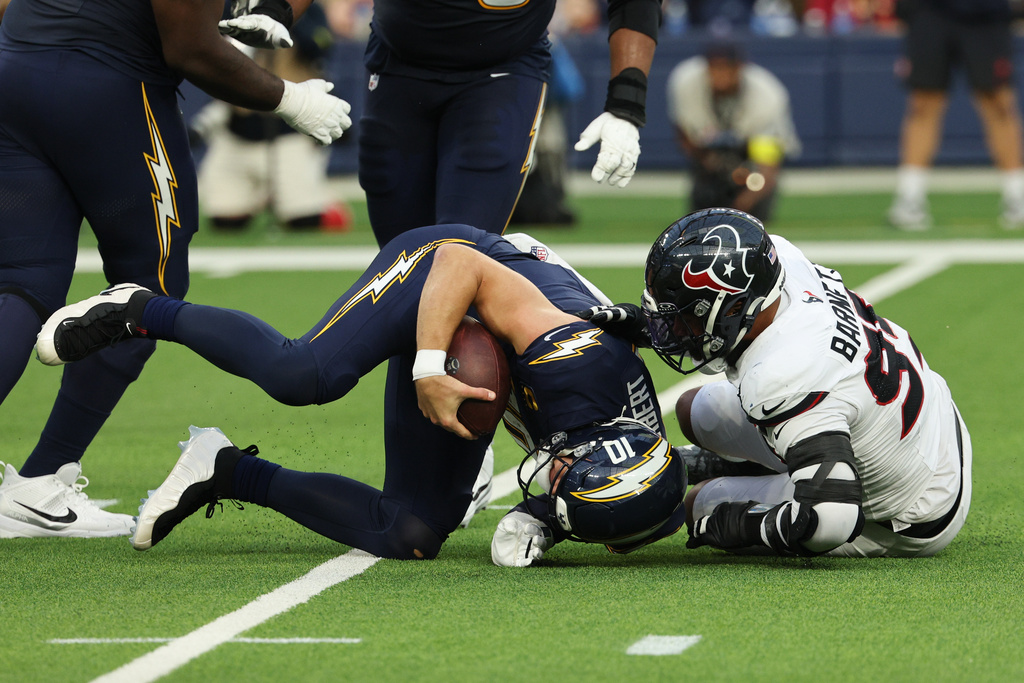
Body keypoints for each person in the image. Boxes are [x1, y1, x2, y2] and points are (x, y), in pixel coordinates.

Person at [35, 225, 687, 563]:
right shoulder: (574, 359)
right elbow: (462, 266)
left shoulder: (637, 469)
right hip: (452, 268)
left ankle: (226, 470)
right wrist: (428, 366)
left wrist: (548, 522)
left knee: (410, 531)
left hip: (487, 341)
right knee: (305, 375)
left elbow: (632, 498)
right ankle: (141, 309)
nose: (553, 478)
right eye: (565, 476)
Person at [0, 0, 351, 539]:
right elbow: (190, 48)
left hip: (16, 66)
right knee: (146, 292)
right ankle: (44, 478)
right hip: (109, 85)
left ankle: (40, 482)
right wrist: (290, 98)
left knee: (21, 282)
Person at [631, 208, 970, 557]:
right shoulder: (780, 261)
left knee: (698, 504)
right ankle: (753, 463)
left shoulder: (785, 376)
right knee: (694, 410)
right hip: (928, 420)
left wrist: (744, 526)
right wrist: (647, 325)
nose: (674, 327)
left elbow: (832, 520)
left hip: (913, 508)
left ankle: (761, 467)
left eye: (686, 315)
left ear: (733, 309)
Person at [193, 2, 354, 233]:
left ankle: (323, 199)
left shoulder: (305, 8)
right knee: (226, 222)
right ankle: (262, 195)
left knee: (303, 221)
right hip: (238, 129)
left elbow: (321, 45)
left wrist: (279, 18)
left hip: (287, 131)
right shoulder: (230, 4)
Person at [887, 0, 1024, 231]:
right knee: (923, 103)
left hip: (986, 13)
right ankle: (910, 198)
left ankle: (1017, 196)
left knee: (998, 104)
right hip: (929, 10)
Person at [666, 39, 801, 224]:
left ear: (740, 68)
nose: (720, 75)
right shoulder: (686, 83)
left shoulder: (767, 94)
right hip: (707, 154)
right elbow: (685, 136)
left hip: (750, 156)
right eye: (714, 68)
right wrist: (713, 164)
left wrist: (743, 205)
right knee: (701, 217)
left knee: (754, 220)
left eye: (726, 68)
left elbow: (768, 164)